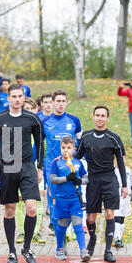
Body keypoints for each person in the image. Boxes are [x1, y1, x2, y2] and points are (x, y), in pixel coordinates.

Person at [0, 84, 44, 263]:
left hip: (28, 167)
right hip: (7, 168)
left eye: (20, 96)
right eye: (14, 96)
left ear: (23, 96)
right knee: (10, 209)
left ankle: (27, 248)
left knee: (31, 208)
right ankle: (12, 251)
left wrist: (40, 168)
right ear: (8, 98)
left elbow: (40, 144)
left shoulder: (32, 118)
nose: (17, 99)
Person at [74, 105, 128, 263]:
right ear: (93, 117)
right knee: (91, 218)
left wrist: (124, 185)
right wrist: (66, 158)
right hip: (93, 180)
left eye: (103, 116)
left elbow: (121, 163)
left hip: (109, 179)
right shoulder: (86, 136)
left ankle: (108, 250)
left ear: (107, 118)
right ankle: (92, 240)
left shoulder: (114, 138)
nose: (99, 118)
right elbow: (78, 156)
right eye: (97, 115)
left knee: (110, 213)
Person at [41, 90, 82, 240]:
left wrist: (77, 161)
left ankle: (66, 229)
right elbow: (39, 145)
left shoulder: (74, 121)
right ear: (52, 103)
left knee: (70, 197)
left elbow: (80, 143)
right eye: (57, 101)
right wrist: (39, 166)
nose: (60, 104)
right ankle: (59, 232)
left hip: (69, 167)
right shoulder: (45, 122)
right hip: (51, 166)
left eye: (63, 101)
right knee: (54, 199)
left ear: (66, 102)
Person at [50, 136, 90, 262]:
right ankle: (60, 248)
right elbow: (53, 179)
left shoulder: (78, 163)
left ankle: (83, 251)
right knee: (62, 225)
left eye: (69, 148)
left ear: (74, 149)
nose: (66, 150)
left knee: (77, 223)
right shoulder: (56, 162)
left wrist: (79, 180)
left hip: (75, 200)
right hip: (61, 200)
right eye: (63, 148)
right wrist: (66, 178)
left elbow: (86, 179)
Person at [15, 98, 45, 245]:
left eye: (32, 109)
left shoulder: (39, 128)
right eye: (26, 108)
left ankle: (35, 232)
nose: (29, 111)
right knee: (20, 202)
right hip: (21, 170)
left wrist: (41, 168)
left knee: (37, 200)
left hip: (36, 169)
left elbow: (42, 149)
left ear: (36, 111)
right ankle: (22, 231)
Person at [113, 157, 132, 249]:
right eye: (117, 159)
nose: (119, 162)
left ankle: (120, 238)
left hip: (125, 198)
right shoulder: (113, 171)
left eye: (121, 159)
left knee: (122, 218)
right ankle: (117, 239)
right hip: (116, 197)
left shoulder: (128, 171)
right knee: (117, 218)